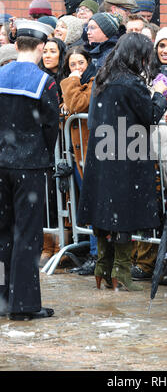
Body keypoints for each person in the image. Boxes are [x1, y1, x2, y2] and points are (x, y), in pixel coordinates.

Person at [77, 33, 167, 291]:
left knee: (105, 212)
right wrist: (159, 94)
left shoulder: (102, 80)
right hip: (127, 154)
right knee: (123, 215)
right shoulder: (131, 83)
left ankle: (102, 268)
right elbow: (150, 116)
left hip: (102, 153)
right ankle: (121, 272)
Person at [0, 20, 59, 320]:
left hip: (1, 162)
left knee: (3, 232)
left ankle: (3, 298)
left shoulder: (0, 74)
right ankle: (22, 305)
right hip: (29, 164)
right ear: (39, 47)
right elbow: (51, 126)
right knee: (26, 235)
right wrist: (45, 154)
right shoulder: (44, 82)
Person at [132, 27, 167, 283]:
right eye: (162, 46)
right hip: (154, 145)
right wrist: (158, 97)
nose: (166, 51)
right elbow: (144, 103)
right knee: (158, 202)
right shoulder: (147, 73)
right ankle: (158, 258)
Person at [60, 46, 98, 276]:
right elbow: (64, 112)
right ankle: (91, 252)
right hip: (76, 154)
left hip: (90, 153)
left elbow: (76, 106)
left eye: (80, 63)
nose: (76, 69)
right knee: (84, 204)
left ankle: (96, 255)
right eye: (72, 65)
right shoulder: (73, 85)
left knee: (93, 205)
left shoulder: (93, 82)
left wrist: (71, 82)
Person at [38, 37, 67, 267]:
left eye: (52, 51)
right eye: (45, 51)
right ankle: (47, 245)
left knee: (64, 197)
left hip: (65, 148)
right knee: (47, 198)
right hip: (44, 148)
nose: (47, 55)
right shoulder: (40, 78)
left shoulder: (65, 79)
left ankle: (62, 245)